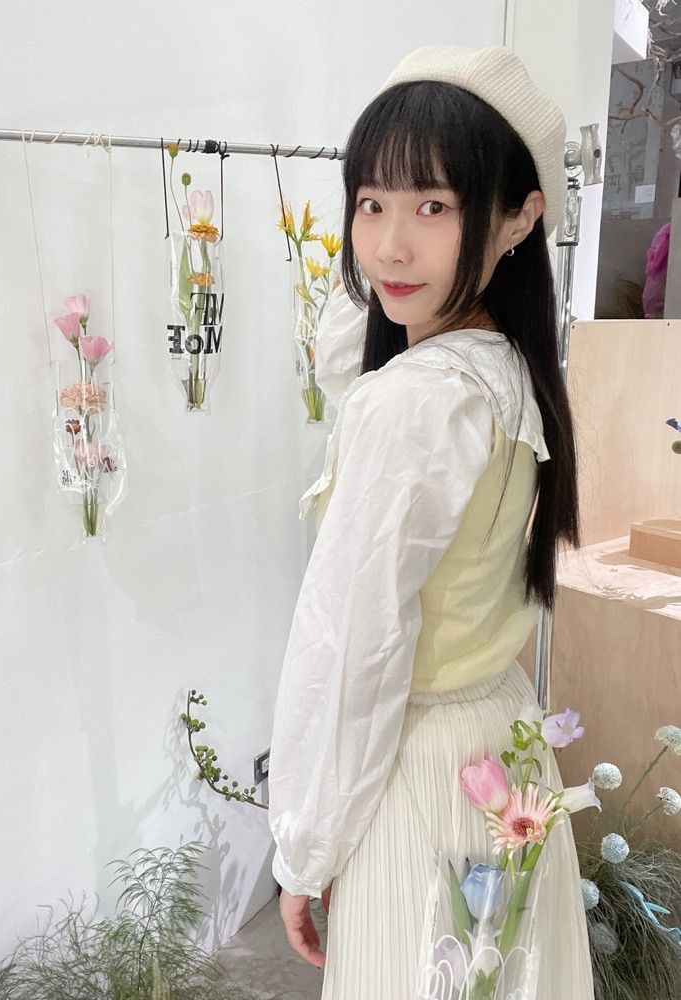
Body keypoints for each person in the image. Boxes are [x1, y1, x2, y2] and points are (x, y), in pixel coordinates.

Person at [267, 43, 595, 999]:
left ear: (519, 218)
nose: (390, 248)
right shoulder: (506, 367)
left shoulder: (418, 400)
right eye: (371, 203)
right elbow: (349, 350)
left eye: (434, 206)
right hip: (501, 747)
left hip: (415, 771)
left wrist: (304, 848)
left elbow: (352, 649)